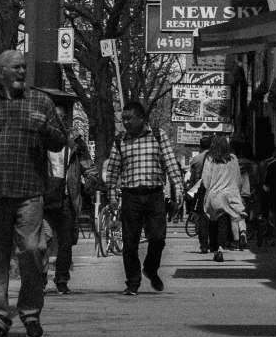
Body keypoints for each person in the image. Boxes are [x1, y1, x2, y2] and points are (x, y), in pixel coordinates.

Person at [0, 49, 66, 337]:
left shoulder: (40, 102)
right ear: (0, 72)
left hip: (29, 192)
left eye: (24, 67)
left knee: (31, 251)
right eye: (16, 67)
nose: (22, 72)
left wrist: (46, 128)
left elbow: (59, 142)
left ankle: (30, 314)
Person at [105, 99, 185, 295]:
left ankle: (150, 268)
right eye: (123, 119)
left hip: (154, 195)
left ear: (142, 118)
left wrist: (178, 187)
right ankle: (132, 283)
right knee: (130, 242)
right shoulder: (120, 141)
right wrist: (112, 195)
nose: (126, 122)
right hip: (131, 196)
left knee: (158, 238)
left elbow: (170, 162)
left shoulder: (158, 135)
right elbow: (113, 170)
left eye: (129, 118)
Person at [42, 130, 100, 294]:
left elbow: (89, 168)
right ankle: (40, 280)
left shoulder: (77, 144)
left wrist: (90, 182)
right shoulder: (40, 139)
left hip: (67, 199)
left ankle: (61, 280)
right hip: (44, 199)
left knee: (66, 243)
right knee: (43, 241)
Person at [201, 133, 246, 262]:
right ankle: (221, 247)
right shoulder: (233, 159)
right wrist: (237, 191)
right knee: (224, 221)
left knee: (213, 221)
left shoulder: (210, 159)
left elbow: (205, 179)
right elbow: (238, 178)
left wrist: (209, 189)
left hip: (214, 195)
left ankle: (214, 248)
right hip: (229, 195)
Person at [185, 133, 212, 253]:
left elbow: (192, 179)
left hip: (199, 190)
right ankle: (214, 243)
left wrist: (191, 193)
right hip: (213, 189)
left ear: (200, 146)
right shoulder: (215, 158)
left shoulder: (196, 159)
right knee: (214, 218)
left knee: (202, 219)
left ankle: (204, 245)